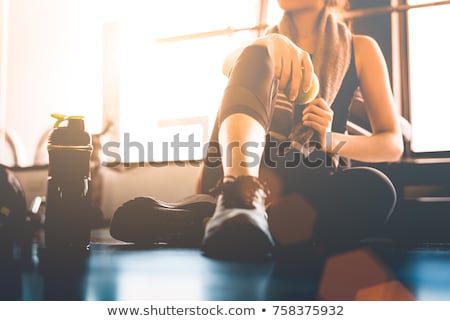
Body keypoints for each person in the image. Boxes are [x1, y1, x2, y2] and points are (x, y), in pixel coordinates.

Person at [110, 0, 403, 260]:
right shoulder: (258, 48)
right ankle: (242, 199)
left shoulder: (360, 47)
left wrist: (330, 139)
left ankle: (213, 221)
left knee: (376, 189)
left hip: (306, 175)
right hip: (242, 166)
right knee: (255, 52)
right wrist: (269, 44)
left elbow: (391, 142)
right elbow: (228, 65)